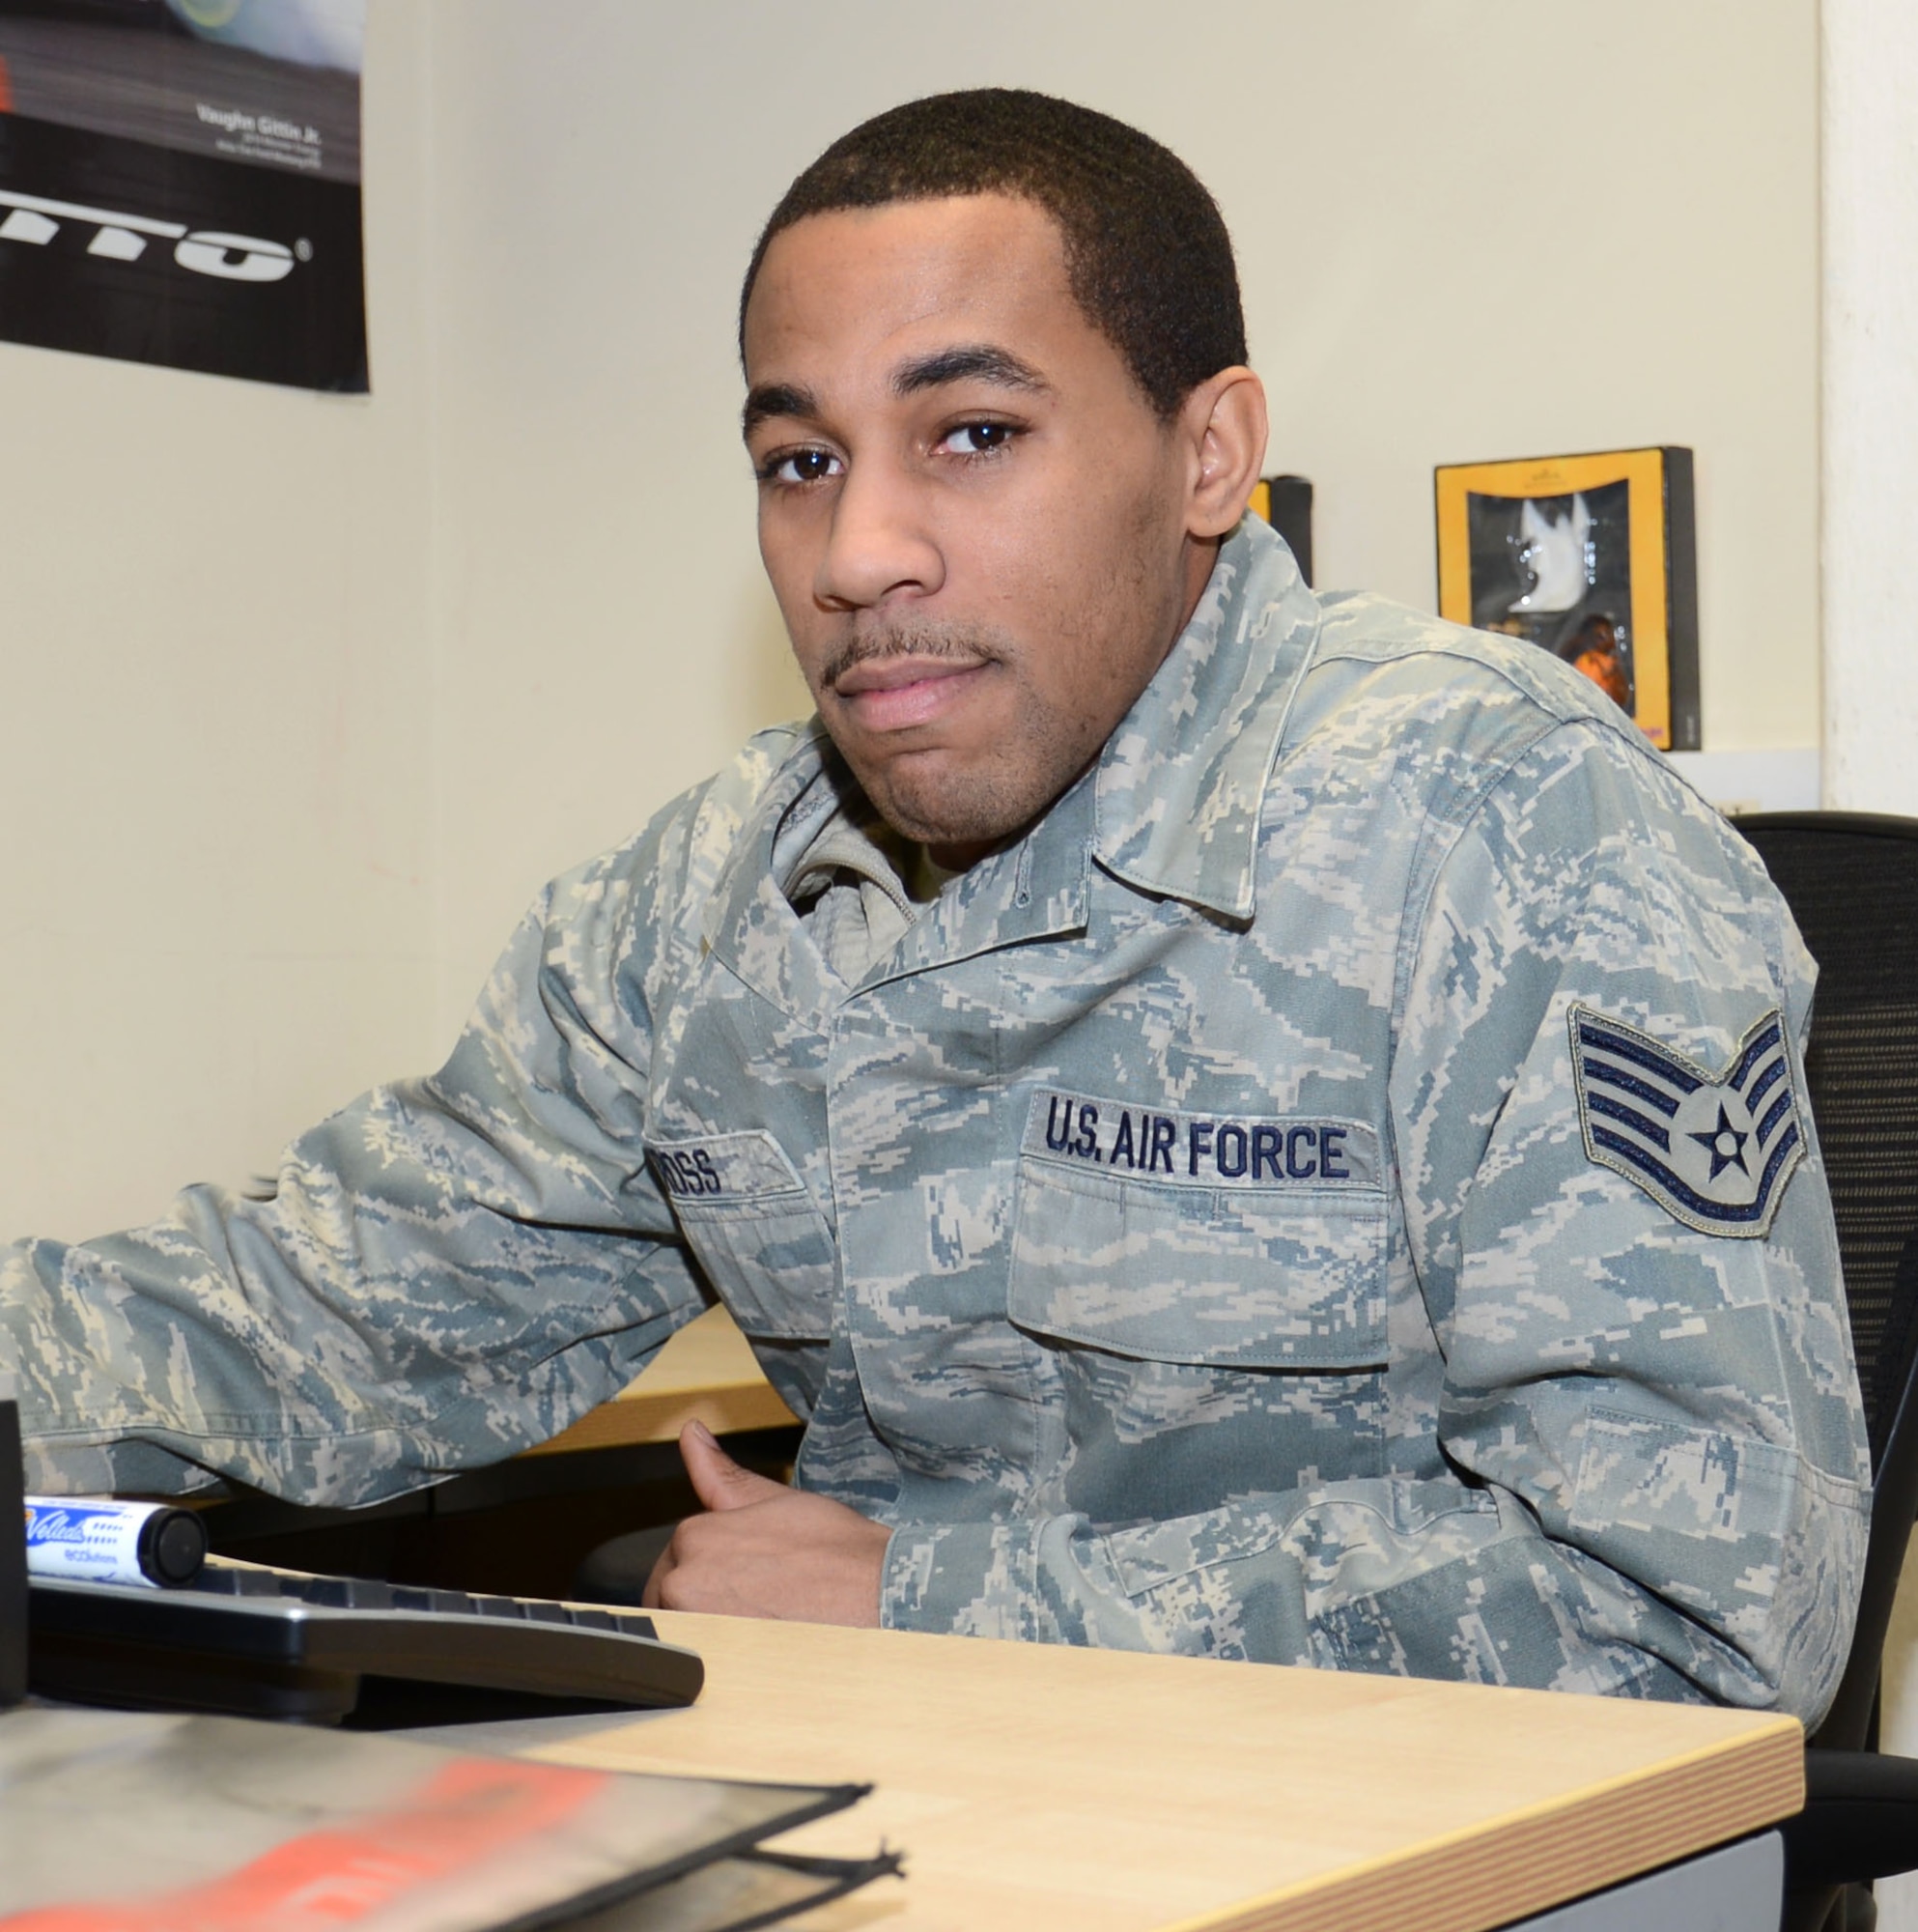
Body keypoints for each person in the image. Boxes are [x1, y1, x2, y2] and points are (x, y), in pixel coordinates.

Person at [0, 90, 1868, 1720]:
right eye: (798, 462)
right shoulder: (712, 900)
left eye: (969, 433)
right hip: (931, 1823)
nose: (858, 552)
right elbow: (324, 1313)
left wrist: (921, 1598)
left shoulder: (1498, 823)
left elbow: (1688, 1607)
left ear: (1206, 453)